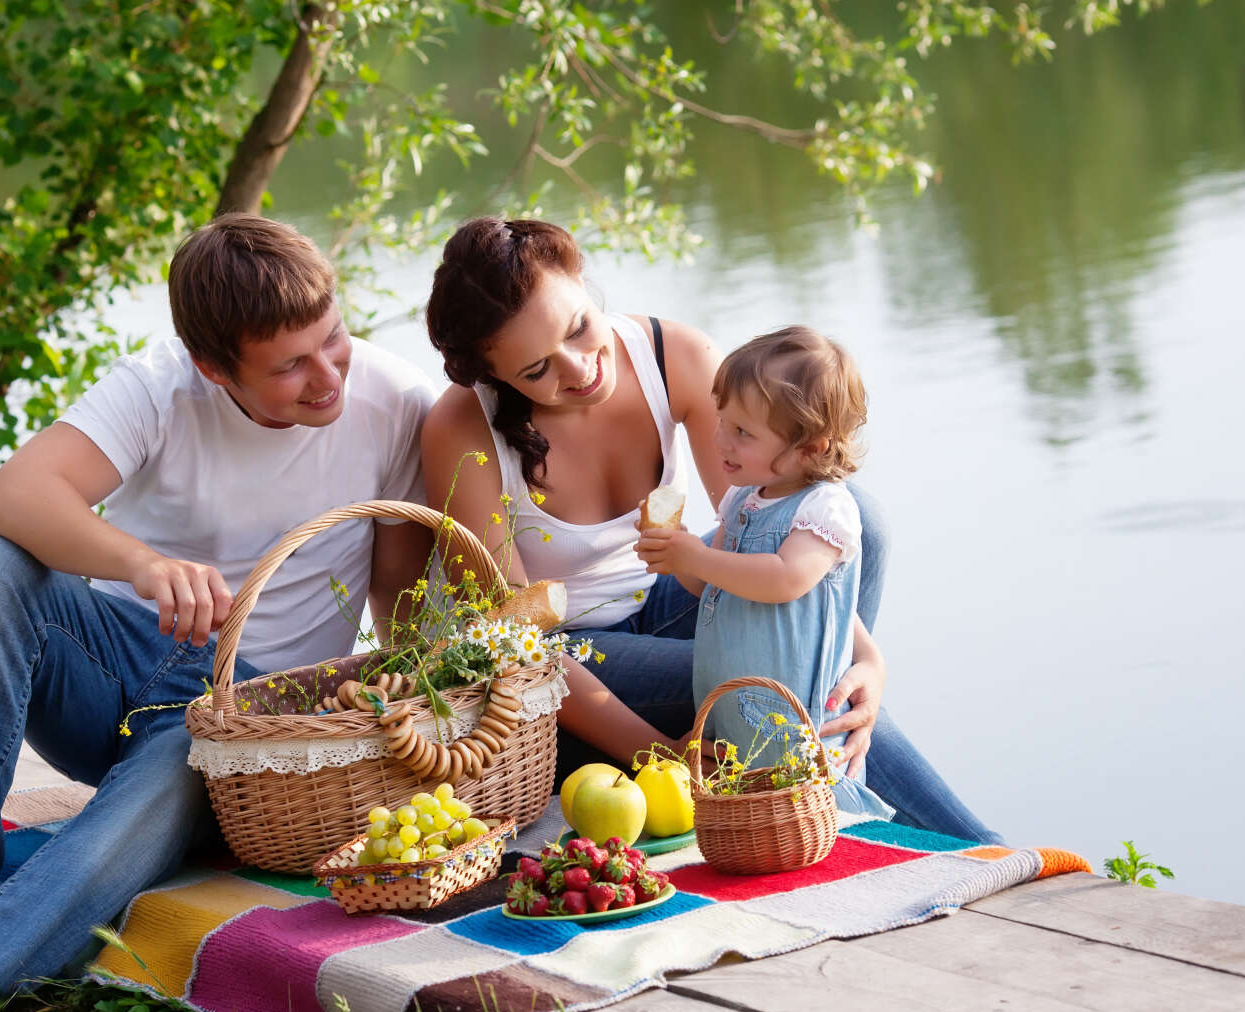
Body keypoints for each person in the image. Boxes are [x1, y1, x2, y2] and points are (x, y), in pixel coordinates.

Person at [0, 214, 436, 1012]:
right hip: (114, 676)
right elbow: (10, 497)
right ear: (214, 368)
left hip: (252, 731)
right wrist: (143, 564)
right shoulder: (159, 385)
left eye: (333, 340)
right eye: (290, 365)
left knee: (186, 753)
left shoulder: (397, 401)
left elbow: (400, 599)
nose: (326, 375)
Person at [422, 216, 999, 840]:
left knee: (852, 514)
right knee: (781, 684)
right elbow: (517, 647)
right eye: (537, 371)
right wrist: (665, 757)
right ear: (493, 375)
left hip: (673, 600)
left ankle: (830, 784)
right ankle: (984, 851)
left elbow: (773, 527)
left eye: (579, 327)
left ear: (583, 279)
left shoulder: (675, 356)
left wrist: (866, 659)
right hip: (572, 665)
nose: (579, 368)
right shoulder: (463, 431)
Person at [636, 326, 892, 817]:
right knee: (750, 799)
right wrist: (675, 558)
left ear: (811, 448)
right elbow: (713, 584)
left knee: (811, 806)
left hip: (794, 713)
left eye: (743, 432)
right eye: (722, 421)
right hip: (734, 703)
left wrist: (697, 555)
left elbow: (783, 579)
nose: (720, 441)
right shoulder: (741, 501)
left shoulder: (824, 509)